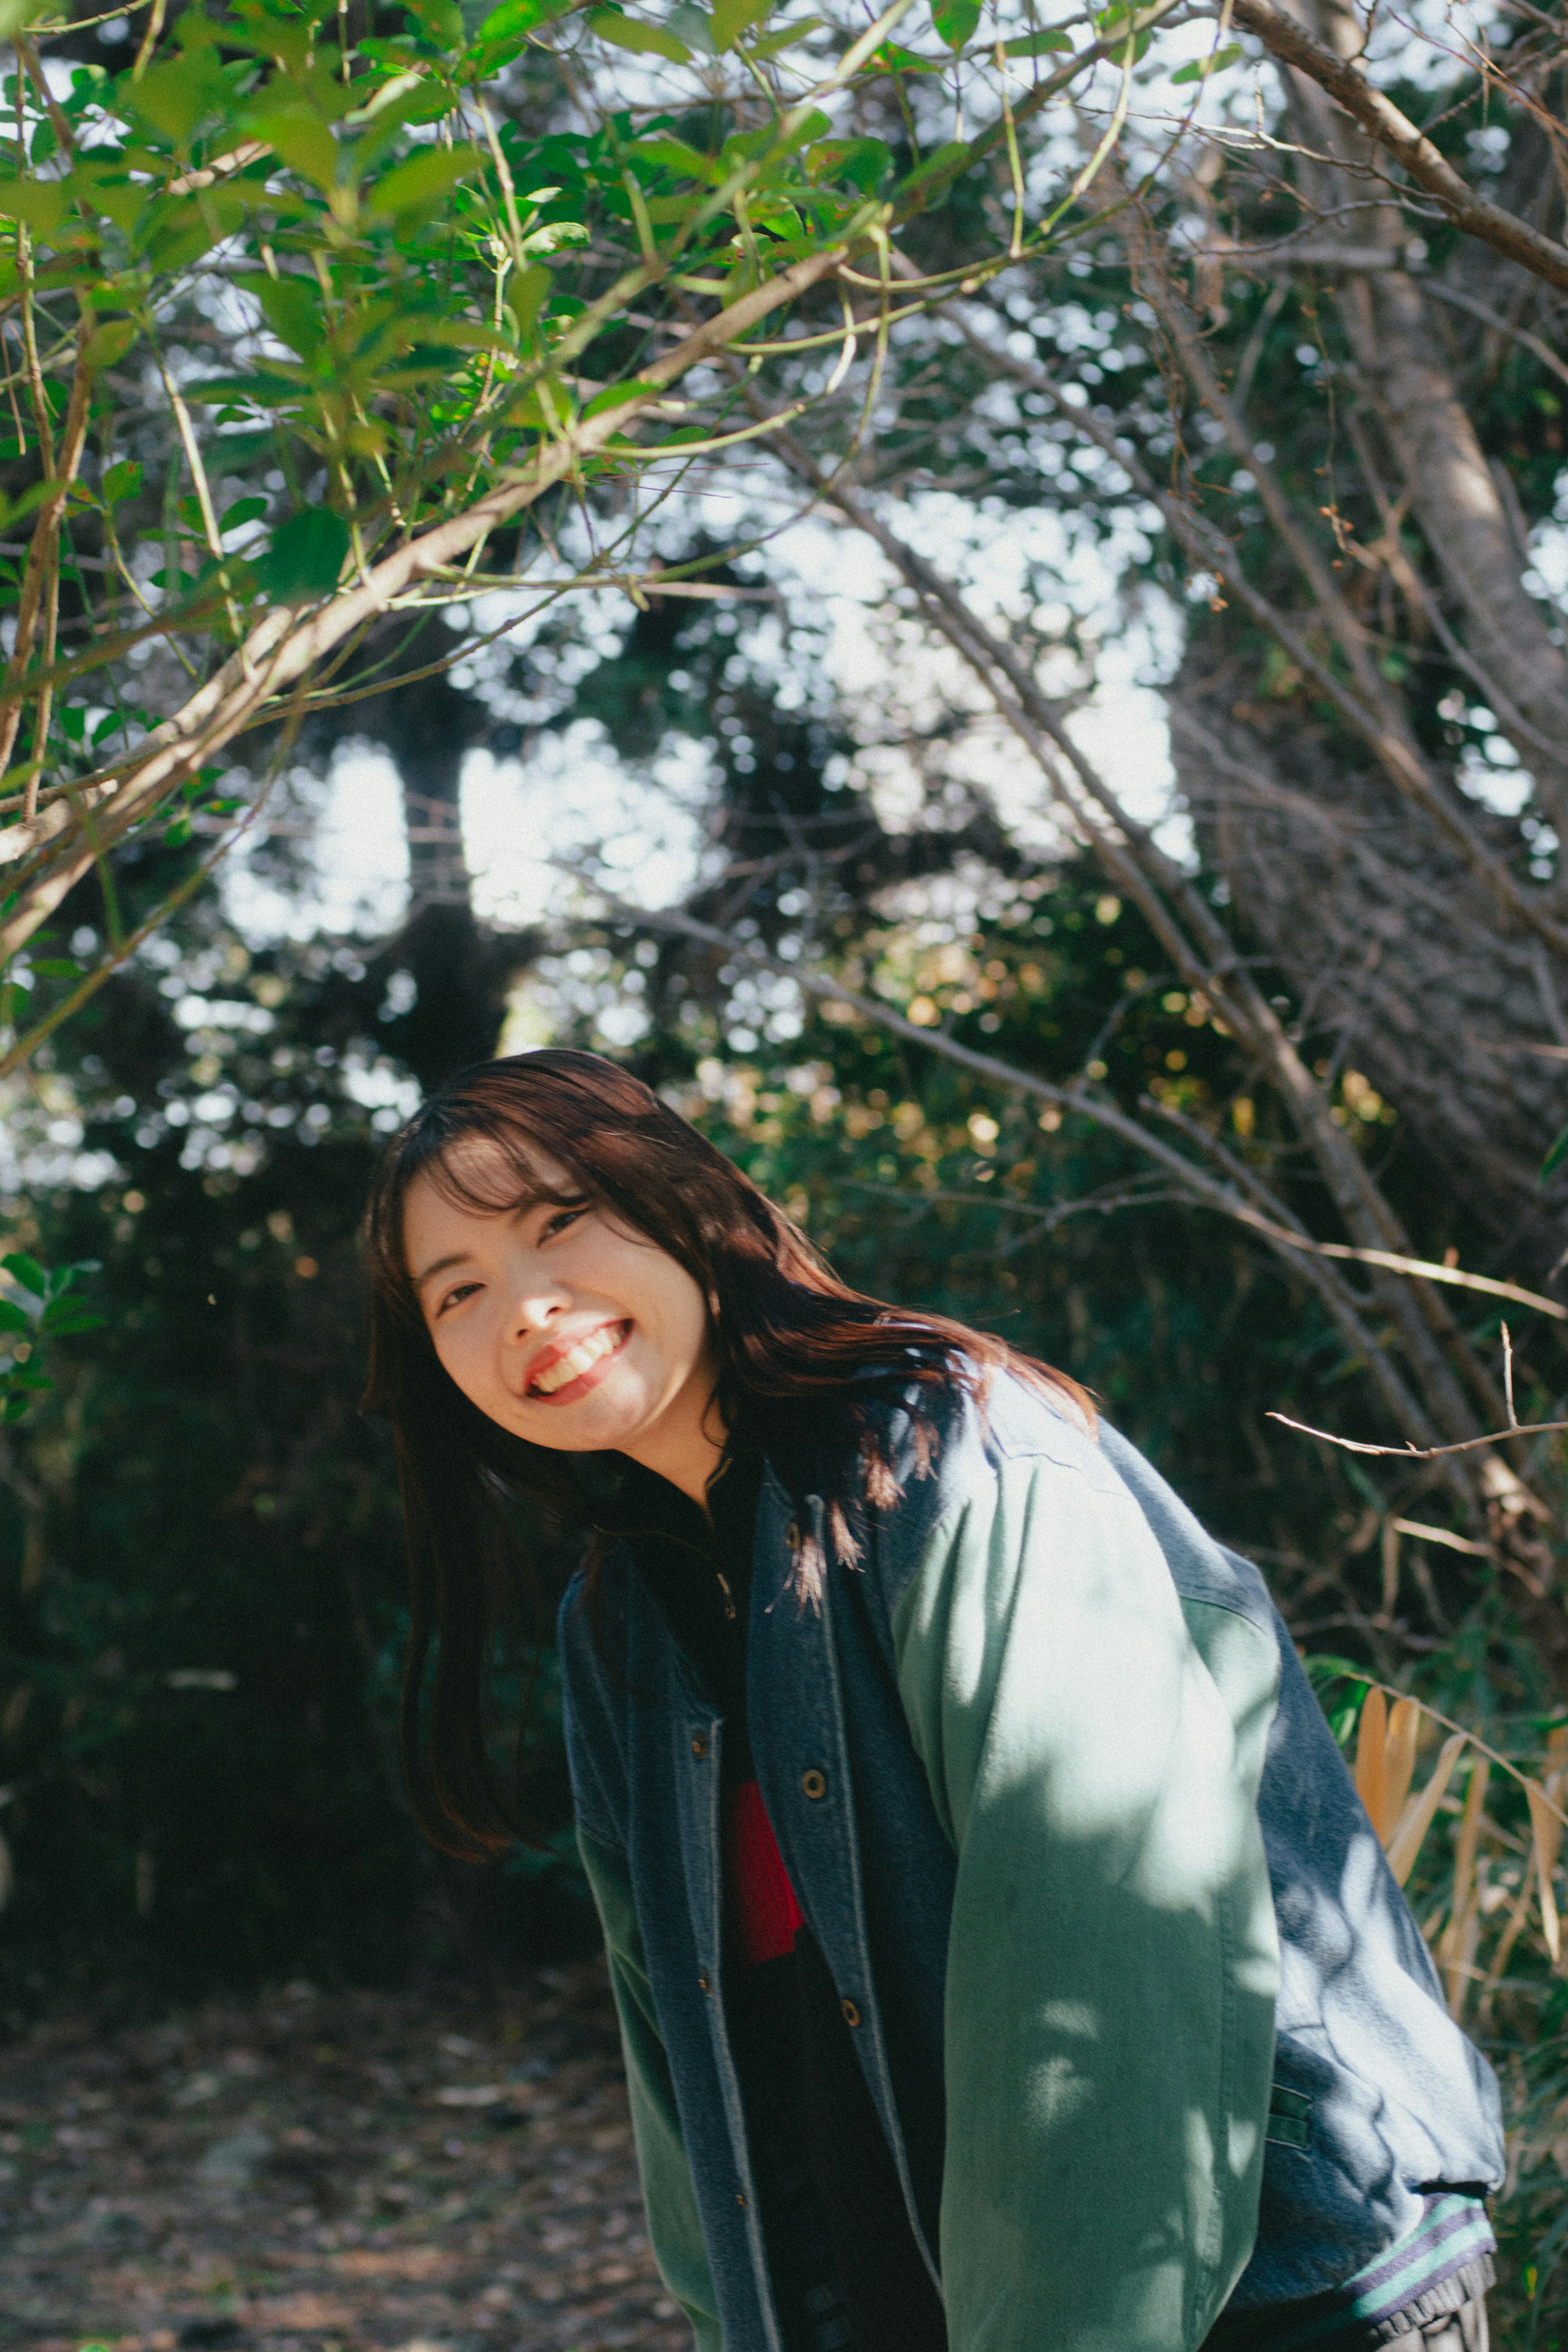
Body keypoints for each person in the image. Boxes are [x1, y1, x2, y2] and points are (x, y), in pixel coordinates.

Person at [364, 1048, 1505, 2352]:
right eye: (457, 1292)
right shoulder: (621, 1620)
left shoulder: (960, 1467)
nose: (522, 1307)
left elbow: (1103, 2003)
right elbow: (684, 2077)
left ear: (681, 1197)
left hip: (1281, 2287)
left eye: (558, 1223)